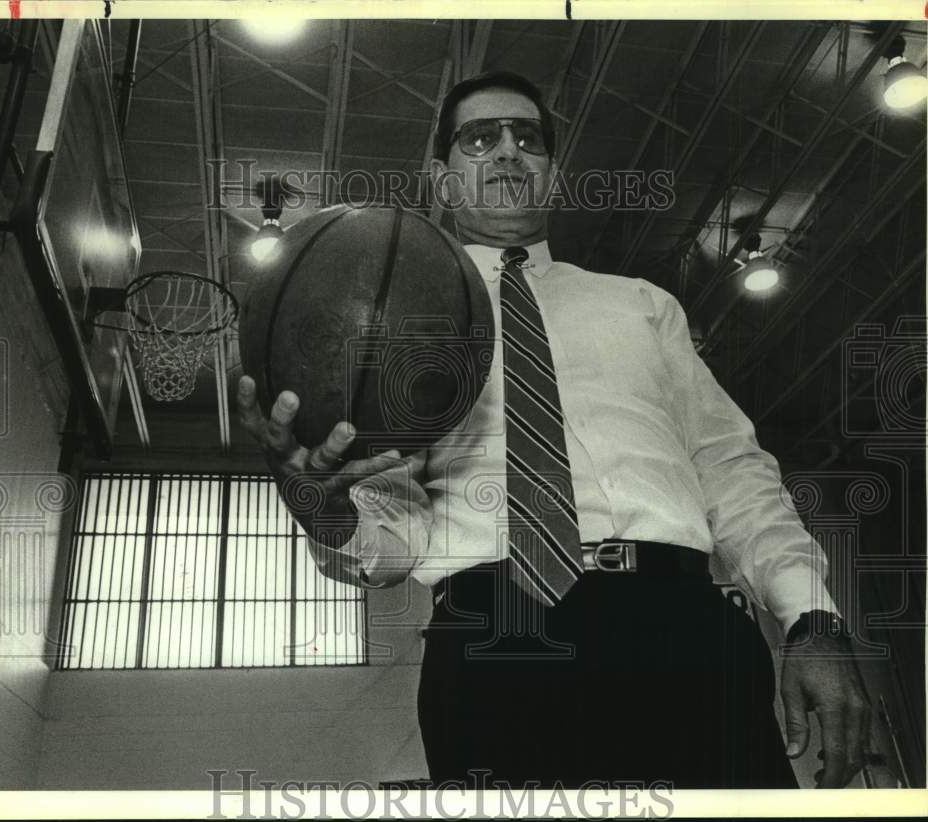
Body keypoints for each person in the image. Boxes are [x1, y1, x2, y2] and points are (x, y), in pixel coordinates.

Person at [237, 71, 871, 789]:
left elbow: (733, 471)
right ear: (444, 181)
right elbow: (391, 543)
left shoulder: (641, 305)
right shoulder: (393, 324)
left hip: (687, 627)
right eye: (481, 137)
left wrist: (812, 621)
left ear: (551, 173)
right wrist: (315, 501)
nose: (509, 150)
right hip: (494, 636)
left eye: (527, 138)